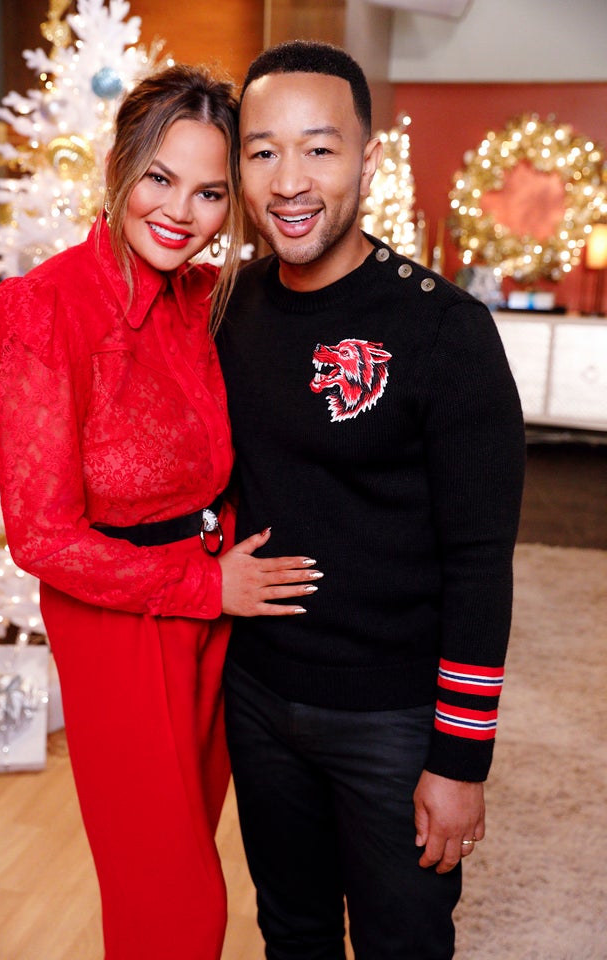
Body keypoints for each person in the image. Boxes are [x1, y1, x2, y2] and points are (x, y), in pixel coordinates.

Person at [0, 63, 318, 960]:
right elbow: (43, 536)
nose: (182, 212)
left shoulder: (206, 299)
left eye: (211, 192)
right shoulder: (37, 311)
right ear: (119, 165)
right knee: (179, 908)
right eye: (161, 179)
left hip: (214, 619)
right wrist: (210, 589)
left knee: (180, 874)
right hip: (121, 632)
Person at [216, 41, 525, 960]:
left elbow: (480, 565)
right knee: (292, 932)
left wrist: (460, 762)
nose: (289, 180)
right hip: (261, 698)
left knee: (404, 944)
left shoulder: (445, 331)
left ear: (369, 158)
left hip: (394, 721)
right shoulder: (230, 306)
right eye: (263, 150)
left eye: (319, 147)